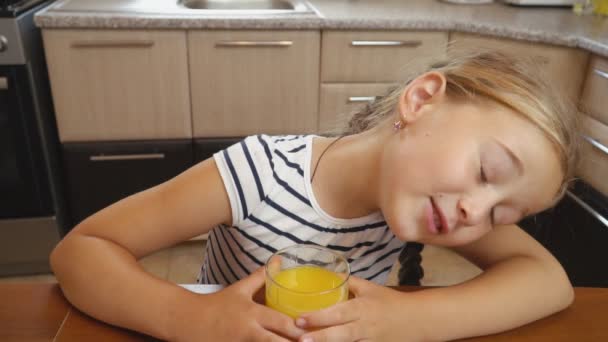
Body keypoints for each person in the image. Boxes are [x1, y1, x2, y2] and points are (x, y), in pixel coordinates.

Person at [50, 51, 580, 342]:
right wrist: (189, 318)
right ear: (421, 101)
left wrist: (409, 319)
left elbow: (549, 283)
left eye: (502, 214)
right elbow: (82, 250)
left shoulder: (429, 205)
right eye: (488, 171)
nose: (477, 212)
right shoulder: (258, 173)